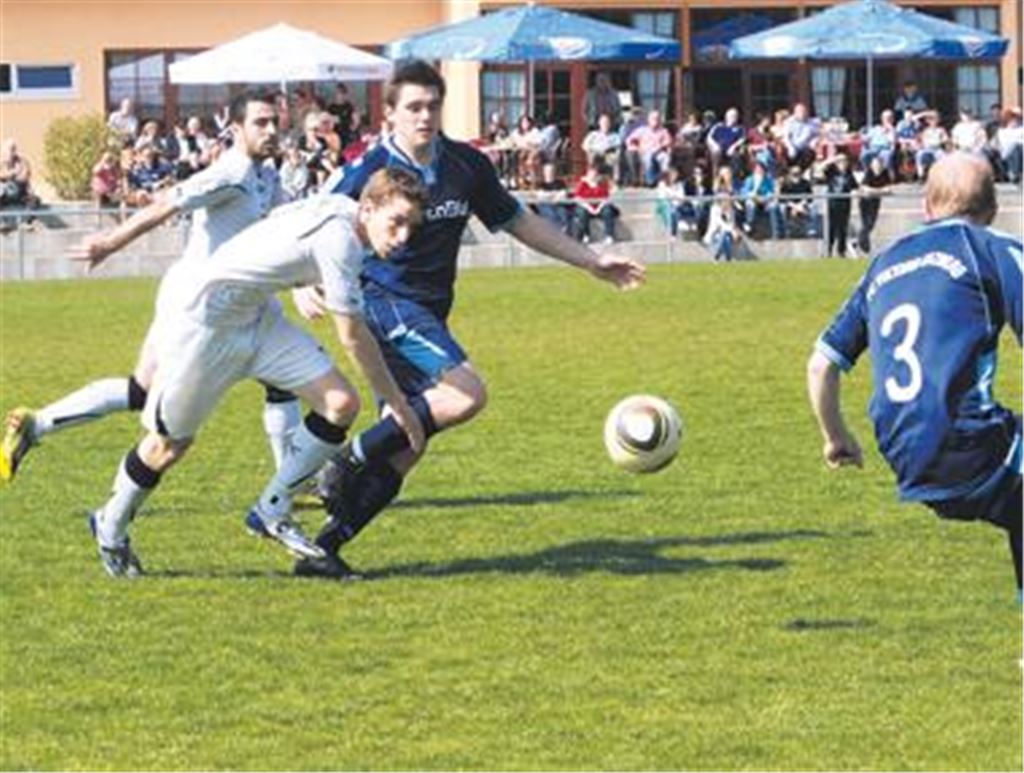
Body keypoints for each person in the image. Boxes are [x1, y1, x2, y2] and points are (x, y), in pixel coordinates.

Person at [301, 60, 645, 579]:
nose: (424, 116)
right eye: (413, 107)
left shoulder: (465, 165)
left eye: (432, 106)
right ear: (389, 113)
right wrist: (304, 281)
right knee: (467, 394)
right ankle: (346, 460)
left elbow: (518, 221)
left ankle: (322, 549)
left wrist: (590, 260)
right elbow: (313, 224)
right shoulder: (370, 169)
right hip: (384, 303)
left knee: (407, 446)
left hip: (428, 313)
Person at [86, 169, 429, 577]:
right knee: (169, 445)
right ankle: (110, 525)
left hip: (259, 318)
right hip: (208, 325)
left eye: (412, 226)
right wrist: (398, 405)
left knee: (340, 403)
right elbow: (353, 337)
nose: (403, 236)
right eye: (397, 222)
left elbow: (280, 224)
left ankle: (272, 510)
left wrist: (298, 278)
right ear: (368, 208)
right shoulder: (342, 241)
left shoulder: (342, 208)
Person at [0, 90, 301, 483]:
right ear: (237, 129)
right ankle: (289, 483)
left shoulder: (266, 174)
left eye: (275, 121)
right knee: (152, 397)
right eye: (261, 122)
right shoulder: (229, 173)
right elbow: (166, 205)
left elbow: (283, 227)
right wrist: (110, 243)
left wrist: (303, 280)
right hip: (197, 299)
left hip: (231, 297)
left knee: (276, 382)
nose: (271, 129)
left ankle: (290, 481)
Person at [806, 152, 1021, 597]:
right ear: (993, 208)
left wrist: (836, 438)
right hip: (968, 440)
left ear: (926, 206)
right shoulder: (992, 248)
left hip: (903, 450)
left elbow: (821, 363)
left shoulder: (884, 263)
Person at [819, 153, 858, 258]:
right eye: (840, 161)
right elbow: (820, 169)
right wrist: (831, 160)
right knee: (831, 228)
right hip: (833, 204)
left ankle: (841, 251)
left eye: (844, 161)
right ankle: (828, 251)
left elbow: (855, 187)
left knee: (843, 229)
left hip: (845, 204)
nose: (843, 163)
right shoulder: (832, 173)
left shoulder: (849, 175)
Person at [571, 158, 618, 244]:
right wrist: (590, 208)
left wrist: (599, 208)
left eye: (595, 174)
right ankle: (586, 235)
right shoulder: (582, 184)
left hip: (599, 207)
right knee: (581, 212)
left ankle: (609, 235)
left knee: (607, 211)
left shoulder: (601, 183)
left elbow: (606, 198)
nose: (593, 175)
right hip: (586, 207)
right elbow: (578, 198)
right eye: (591, 173)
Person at [625, 109, 672, 187]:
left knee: (665, 157)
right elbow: (629, 140)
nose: (655, 120)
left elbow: (668, 141)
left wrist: (661, 146)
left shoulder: (663, 131)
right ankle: (651, 181)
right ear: (649, 120)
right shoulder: (642, 130)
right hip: (646, 151)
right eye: (653, 118)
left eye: (657, 118)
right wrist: (637, 148)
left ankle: (662, 178)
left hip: (658, 152)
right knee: (648, 157)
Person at [856, 154, 893, 255]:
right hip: (865, 201)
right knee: (866, 224)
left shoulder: (885, 173)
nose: (877, 167)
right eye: (875, 165)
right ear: (872, 165)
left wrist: (875, 191)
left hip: (875, 201)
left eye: (879, 165)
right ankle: (863, 246)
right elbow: (864, 188)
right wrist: (880, 191)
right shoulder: (869, 173)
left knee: (871, 224)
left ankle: (858, 243)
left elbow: (889, 189)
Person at [738, 160, 782, 238]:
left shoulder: (768, 180)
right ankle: (749, 225)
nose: (759, 170)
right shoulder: (749, 179)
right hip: (753, 200)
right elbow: (743, 192)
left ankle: (776, 231)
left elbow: (771, 192)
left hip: (765, 202)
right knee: (750, 204)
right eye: (757, 168)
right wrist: (752, 194)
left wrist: (764, 198)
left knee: (773, 206)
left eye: (761, 169)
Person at [704, 167, 738, 262]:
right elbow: (719, 224)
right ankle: (717, 257)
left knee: (726, 237)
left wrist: (733, 230)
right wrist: (732, 231)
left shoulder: (730, 210)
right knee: (724, 234)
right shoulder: (715, 209)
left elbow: (731, 222)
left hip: (726, 234)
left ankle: (726, 259)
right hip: (716, 233)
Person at [531, 161, 573, 235]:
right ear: (544, 172)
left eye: (551, 171)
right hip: (545, 205)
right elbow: (540, 195)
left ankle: (564, 232)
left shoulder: (560, 183)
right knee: (550, 213)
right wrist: (554, 194)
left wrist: (551, 195)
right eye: (547, 171)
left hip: (558, 204)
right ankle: (557, 232)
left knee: (564, 213)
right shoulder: (540, 183)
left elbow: (563, 193)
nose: (549, 173)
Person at [777, 165, 819, 238]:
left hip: (803, 205)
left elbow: (810, 197)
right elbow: (782, 199)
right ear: (790, 173)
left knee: (814, 207)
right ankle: (783, 230)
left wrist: (800, 205)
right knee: (781, 207)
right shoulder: (786, 184)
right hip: (790, 205)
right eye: (794, 173)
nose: (796, 175)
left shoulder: (806, 183)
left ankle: (811, 230)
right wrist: (795, 207)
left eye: (798, 173)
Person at [706, 107, 746, 180]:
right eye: (731, 116)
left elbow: (742, 139)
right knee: (716, 154)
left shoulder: (739, 128)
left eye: (735, 116)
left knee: (736, 157)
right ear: (726, 117)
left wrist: (733, 147)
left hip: (731, 150)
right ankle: (716, 179)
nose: (733, 118)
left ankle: (733, 180)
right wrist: (715, 145)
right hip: (718, 150)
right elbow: (709, 137)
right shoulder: (718, 126)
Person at [581, 113, 622, 183]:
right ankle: (592, 177)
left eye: (607, 122)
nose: (605, 124)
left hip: (608, 155)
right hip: (596, 153)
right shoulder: (593, 134)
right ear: (599, 123)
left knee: (614, 158)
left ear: (610, 124)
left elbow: (618, 147)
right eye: (603, 122)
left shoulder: (615, 136)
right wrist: (592, 150)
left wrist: (613, 153)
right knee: (594, 157)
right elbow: (584, 146)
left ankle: (615, 180)